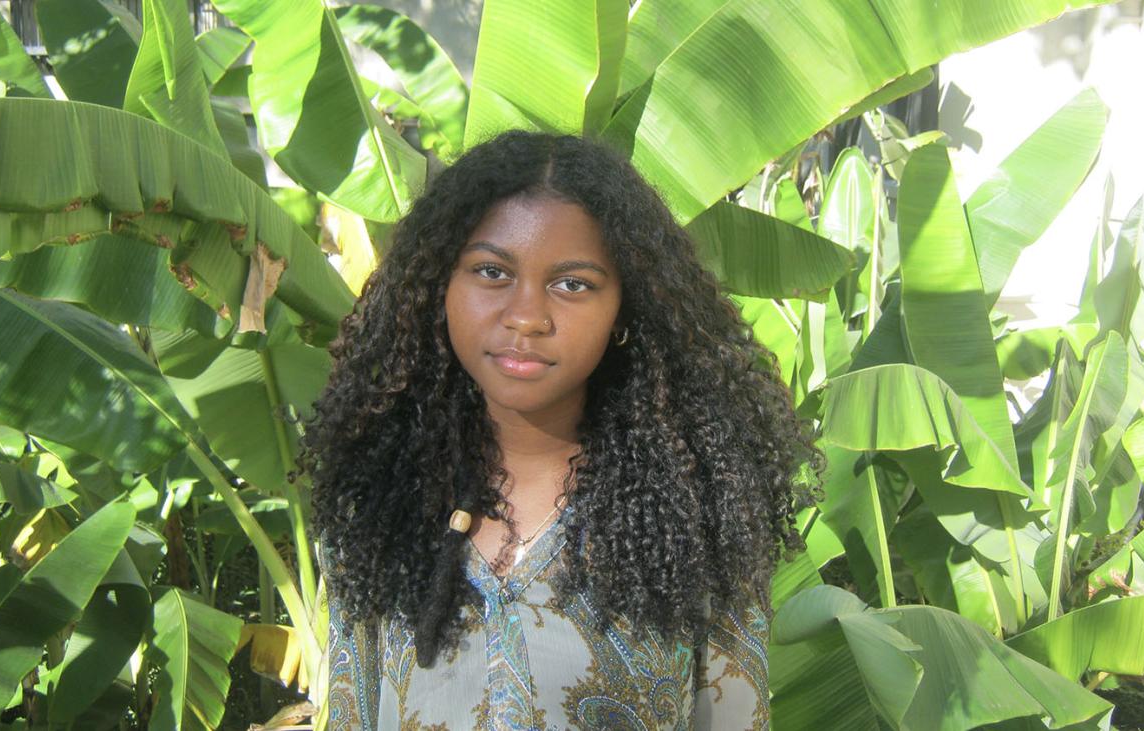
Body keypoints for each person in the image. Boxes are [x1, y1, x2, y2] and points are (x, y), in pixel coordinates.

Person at [299, 129, 824, 730]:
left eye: (572, 284)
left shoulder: (697, 514)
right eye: (492, 271)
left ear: (624, 308)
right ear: (438, 286)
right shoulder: (375, 505)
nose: (526, 316)